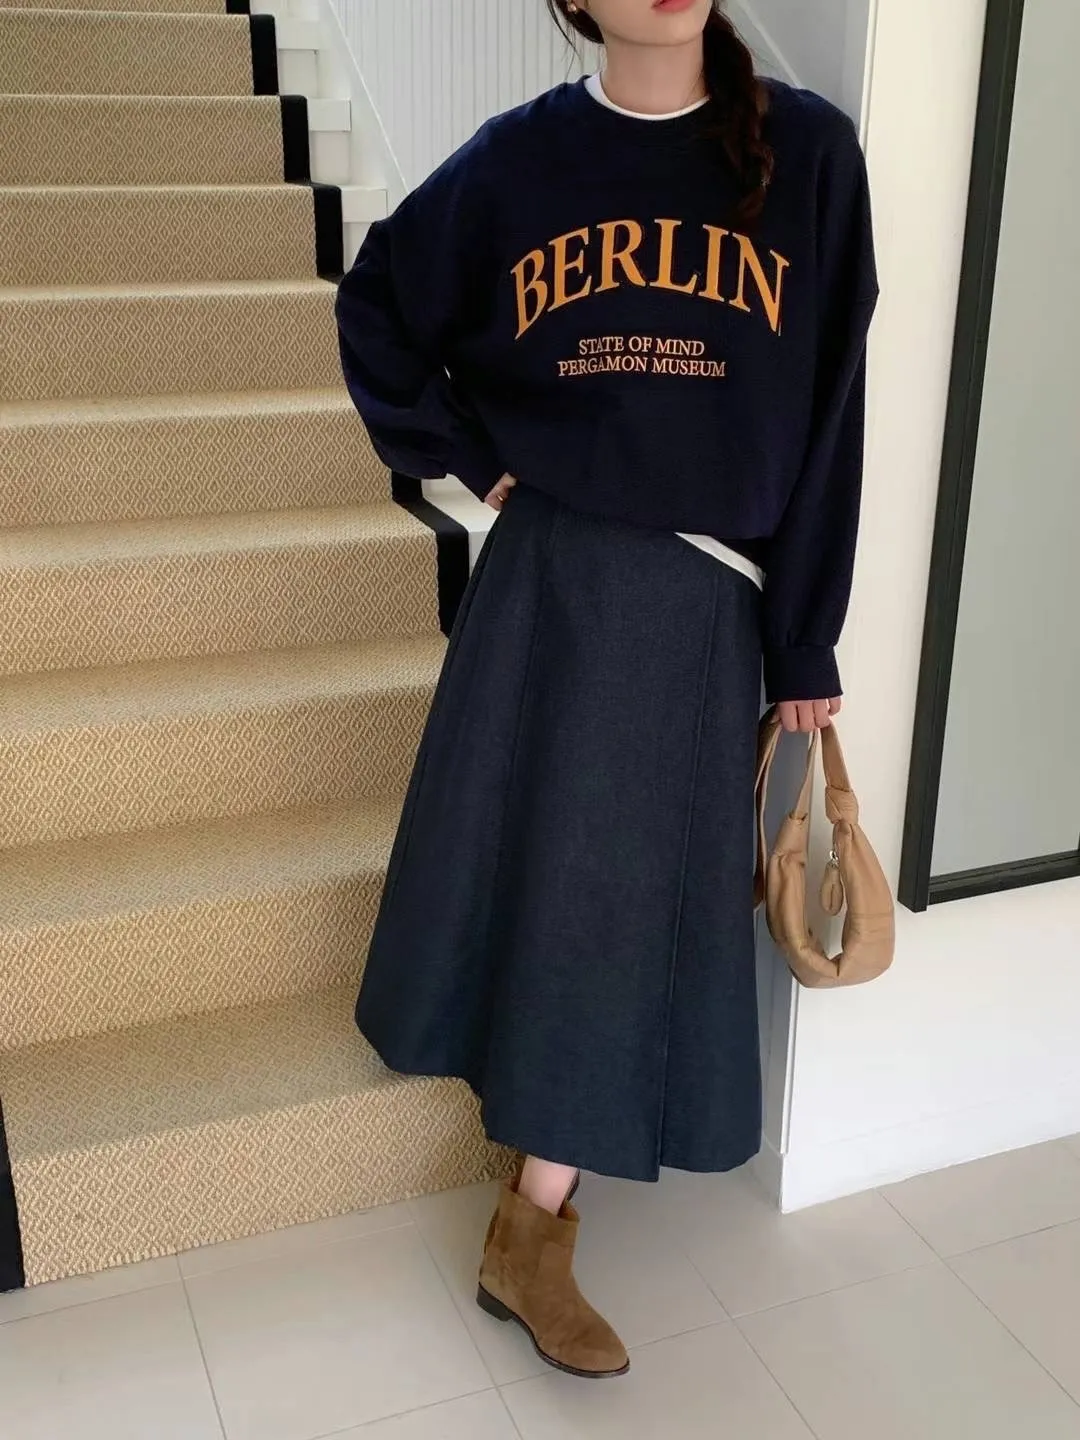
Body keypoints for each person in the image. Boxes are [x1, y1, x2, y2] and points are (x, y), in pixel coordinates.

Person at [335, 0, 876, 1381]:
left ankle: (531, 1223)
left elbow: (832, 412)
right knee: (553, 885)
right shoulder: (520, 162)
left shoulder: (808, 158)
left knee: (612, 905)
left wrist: (804, 640)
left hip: (700, 599)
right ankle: (532, 1225)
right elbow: (379, 301)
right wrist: (471, 457)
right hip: (553, 578)